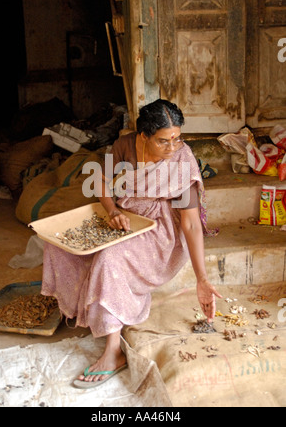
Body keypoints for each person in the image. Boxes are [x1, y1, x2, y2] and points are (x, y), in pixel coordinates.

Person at [41, 99, 222, 389]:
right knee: (58, 244)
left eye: (177, 138)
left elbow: (189, 223)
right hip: (126, 218)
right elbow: (102, 180)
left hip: (161, 231)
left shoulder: (182, 160)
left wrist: (202, 278)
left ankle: (113, 352)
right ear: (143, 136)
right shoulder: (125, 146)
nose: (172, 148)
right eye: (163, 141)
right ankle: (84, 306)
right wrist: (112, 210)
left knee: (110, 258)